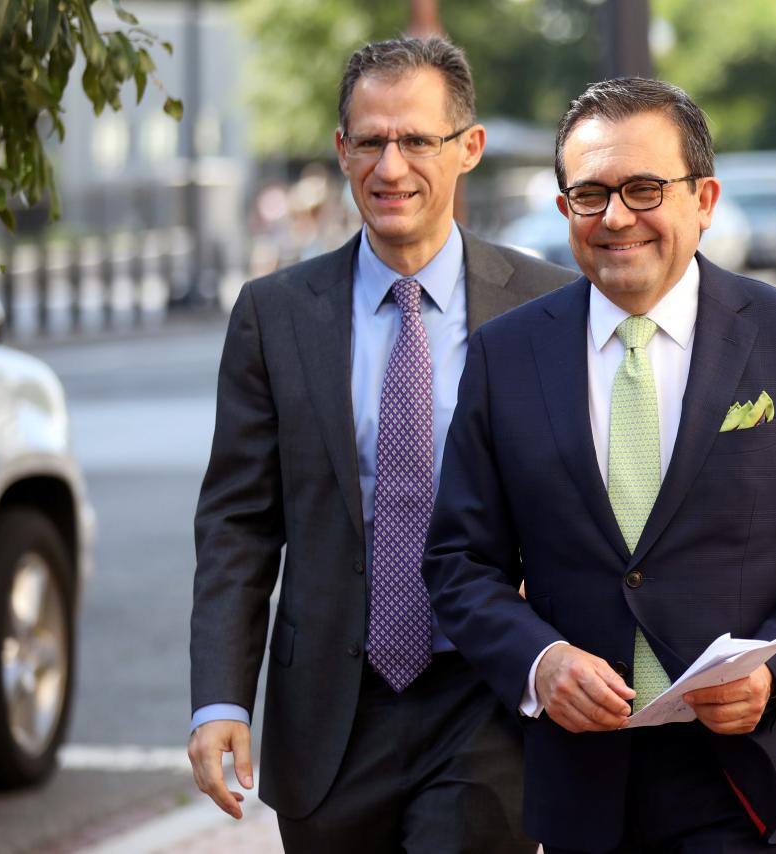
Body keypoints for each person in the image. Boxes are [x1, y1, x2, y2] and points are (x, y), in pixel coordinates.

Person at [422, 77, 776, 853]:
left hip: (743, 777)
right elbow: (459, 561)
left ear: (703, 199)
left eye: (644, 189)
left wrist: (773, 674)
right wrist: (538, 663)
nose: (616, 218)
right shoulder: (508, 355)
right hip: (580, 781)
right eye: (589, 194)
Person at [187, 37, 573, 854]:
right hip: (329, 710)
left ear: (466, 148)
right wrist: (220, 700)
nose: (390, 167)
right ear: (342, 149)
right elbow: (239, 526)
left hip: (486, 701)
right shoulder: (275, 314)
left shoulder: (548, 306)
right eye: (369, 140)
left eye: (416, 140)